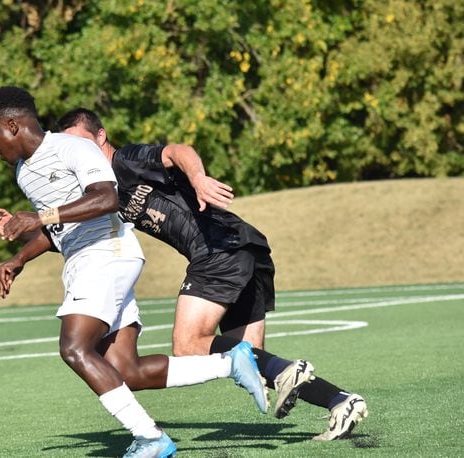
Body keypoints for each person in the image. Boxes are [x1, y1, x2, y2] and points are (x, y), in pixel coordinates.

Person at [0, 86, 269, 458]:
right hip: (85, 261)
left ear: (13, 125)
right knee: (126, 370)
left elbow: (106, 198)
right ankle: (230, 362)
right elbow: (59, 227)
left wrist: (41, 216)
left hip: (107, 254)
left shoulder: (73, 148)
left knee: (74, 348)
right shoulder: (23, 172)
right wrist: (18, 257)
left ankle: (150, 437)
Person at [48, 108, 368, 441]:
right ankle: (340, 401)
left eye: (83, 143)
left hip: (218, 250)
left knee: (188, 346)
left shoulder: (124, 161)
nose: (79, 154)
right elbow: (66, 231)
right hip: (243, 247)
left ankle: (294, 374)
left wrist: (199, 179)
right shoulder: (102, 189)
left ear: (101, 136)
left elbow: (177, 151)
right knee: (253, 362)